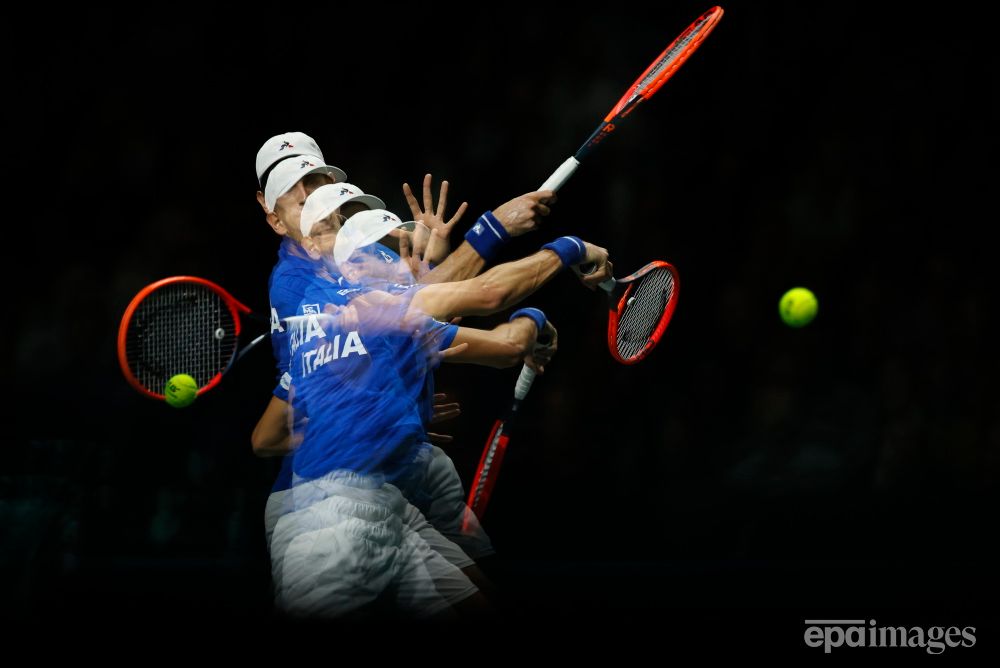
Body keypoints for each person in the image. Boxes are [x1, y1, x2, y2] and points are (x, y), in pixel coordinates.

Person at [269, 203, 607, 617]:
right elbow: (492, 298)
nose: (402, 258)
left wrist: (379, 420)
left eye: (396, 246)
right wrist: (568, 250)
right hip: (329, 528)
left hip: (384, 504)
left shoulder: (363, 322)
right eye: (380, 251)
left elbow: (504, 347)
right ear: (351, 271)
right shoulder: (380, 308)